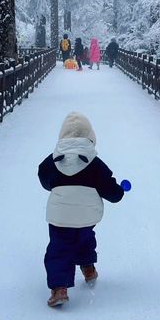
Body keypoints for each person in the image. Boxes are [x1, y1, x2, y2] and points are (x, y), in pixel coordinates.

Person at [38, 112, 127, 307]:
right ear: (90, 137)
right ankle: (88, 269)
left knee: (59, 248)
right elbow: (110, 190)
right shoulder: (95, 163)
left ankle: (60, 288)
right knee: (84, 239)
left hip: (60, 216)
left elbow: (44, 181)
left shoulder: (52, 160)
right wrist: (119, 192)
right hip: (87, 215)